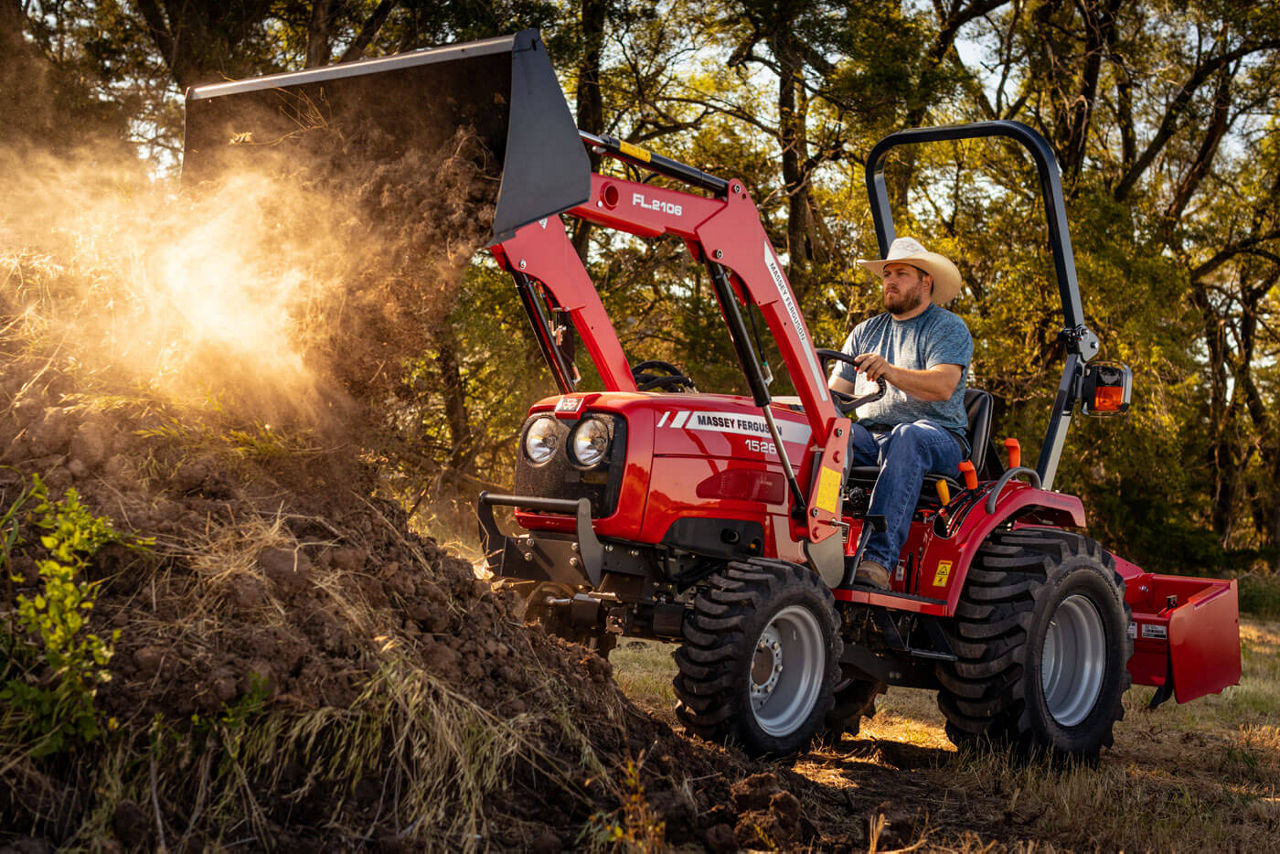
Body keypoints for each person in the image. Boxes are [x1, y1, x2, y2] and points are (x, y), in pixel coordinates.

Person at [829, 237, 973, 589]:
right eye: (886, 274)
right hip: (874, 436)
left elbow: (943, 386)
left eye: (901, 274)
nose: (889, 281)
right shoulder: (865, 331)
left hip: (938, 439)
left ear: (926, 281)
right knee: (830, 432)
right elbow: (834, 394)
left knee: (909, 436)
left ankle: (877, 562)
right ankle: (816, 539)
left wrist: (889, 371)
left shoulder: (947, 328)